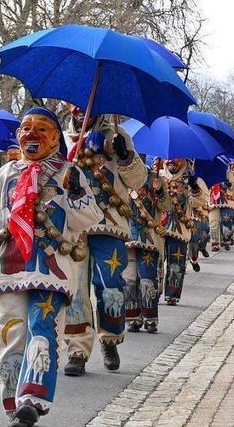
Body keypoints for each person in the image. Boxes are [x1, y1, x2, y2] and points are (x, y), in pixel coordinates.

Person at [0, 107, 103, 427]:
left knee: (43, 330)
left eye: (41, 128)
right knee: (9, 337)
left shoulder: (70, 173)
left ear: (55, 137)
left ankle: (32, 401)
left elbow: (88, 219)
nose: (31, 134)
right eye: (25, 128)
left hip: (51, 270)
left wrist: (77, 191)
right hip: (9, 268)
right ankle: (14, 405)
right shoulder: (7, 173)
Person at [63, 107, 147, 376]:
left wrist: (125, 156)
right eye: (71, 104)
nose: (77, 109)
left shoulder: (118, 135)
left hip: (109, 223)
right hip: (74, 224)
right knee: (75, 289)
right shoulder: (63, 138)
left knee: (110, 286)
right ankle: (77, 349)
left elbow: (137, 180)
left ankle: (110, 339)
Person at [122, 163, 170, 334]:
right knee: (129, 279)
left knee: (147, 278)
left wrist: (158, 191)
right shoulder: (122, 176)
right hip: (128, 236)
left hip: (150, 237)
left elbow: (166, 207)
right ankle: (133, 317)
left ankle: (150, 318)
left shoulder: (155, 178)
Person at [159, 159, 208, 305]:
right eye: (168, 158)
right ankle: (154, 292)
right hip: (157, 229)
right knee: (156, 263)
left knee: (176, 263)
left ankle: (172, 294)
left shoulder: (193, 180)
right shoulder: (157, 176)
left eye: (176, 157)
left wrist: (193, 187)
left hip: (179, 229)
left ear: (184, 160)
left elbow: (199, 202)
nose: (170, 161)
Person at [208, 168, 234, 251]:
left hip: (226, 200)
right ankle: (215, 243)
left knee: (227, 220)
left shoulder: (228, 172)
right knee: (213, 222)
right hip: (212, 201)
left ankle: (226, 239)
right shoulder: (208, 171)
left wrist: (229, 185)